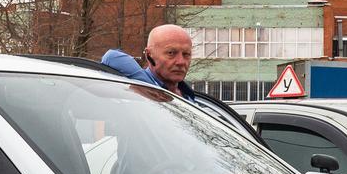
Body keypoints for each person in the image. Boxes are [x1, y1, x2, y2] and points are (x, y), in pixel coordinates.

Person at [102, 24, 245, 126]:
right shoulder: (134, 93)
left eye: (186, 54)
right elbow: (111, 56)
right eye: (171, 53)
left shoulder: (192, 100)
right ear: (149, 55)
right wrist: (150, 88)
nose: (181, 62)